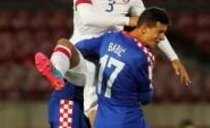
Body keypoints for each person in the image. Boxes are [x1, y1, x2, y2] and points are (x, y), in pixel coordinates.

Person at [37, 0, 191, 128]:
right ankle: (56, 73)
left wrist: (173, 57)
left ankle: (59, 74)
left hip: (106, 61)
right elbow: (88, 18)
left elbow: (152, 26)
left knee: (96, 82)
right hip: (80, 60)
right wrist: (127, 21)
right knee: (65, 46)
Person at [36, 7, 169, 128]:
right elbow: (146, 98)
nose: (163, 38)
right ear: (144, 28)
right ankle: (57, 70)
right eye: (160, 32)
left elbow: (77, 47)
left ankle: (57, 68)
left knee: (64, 44)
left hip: (93, 109)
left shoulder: (109, 39)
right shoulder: (142, 55)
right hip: (119, 116)